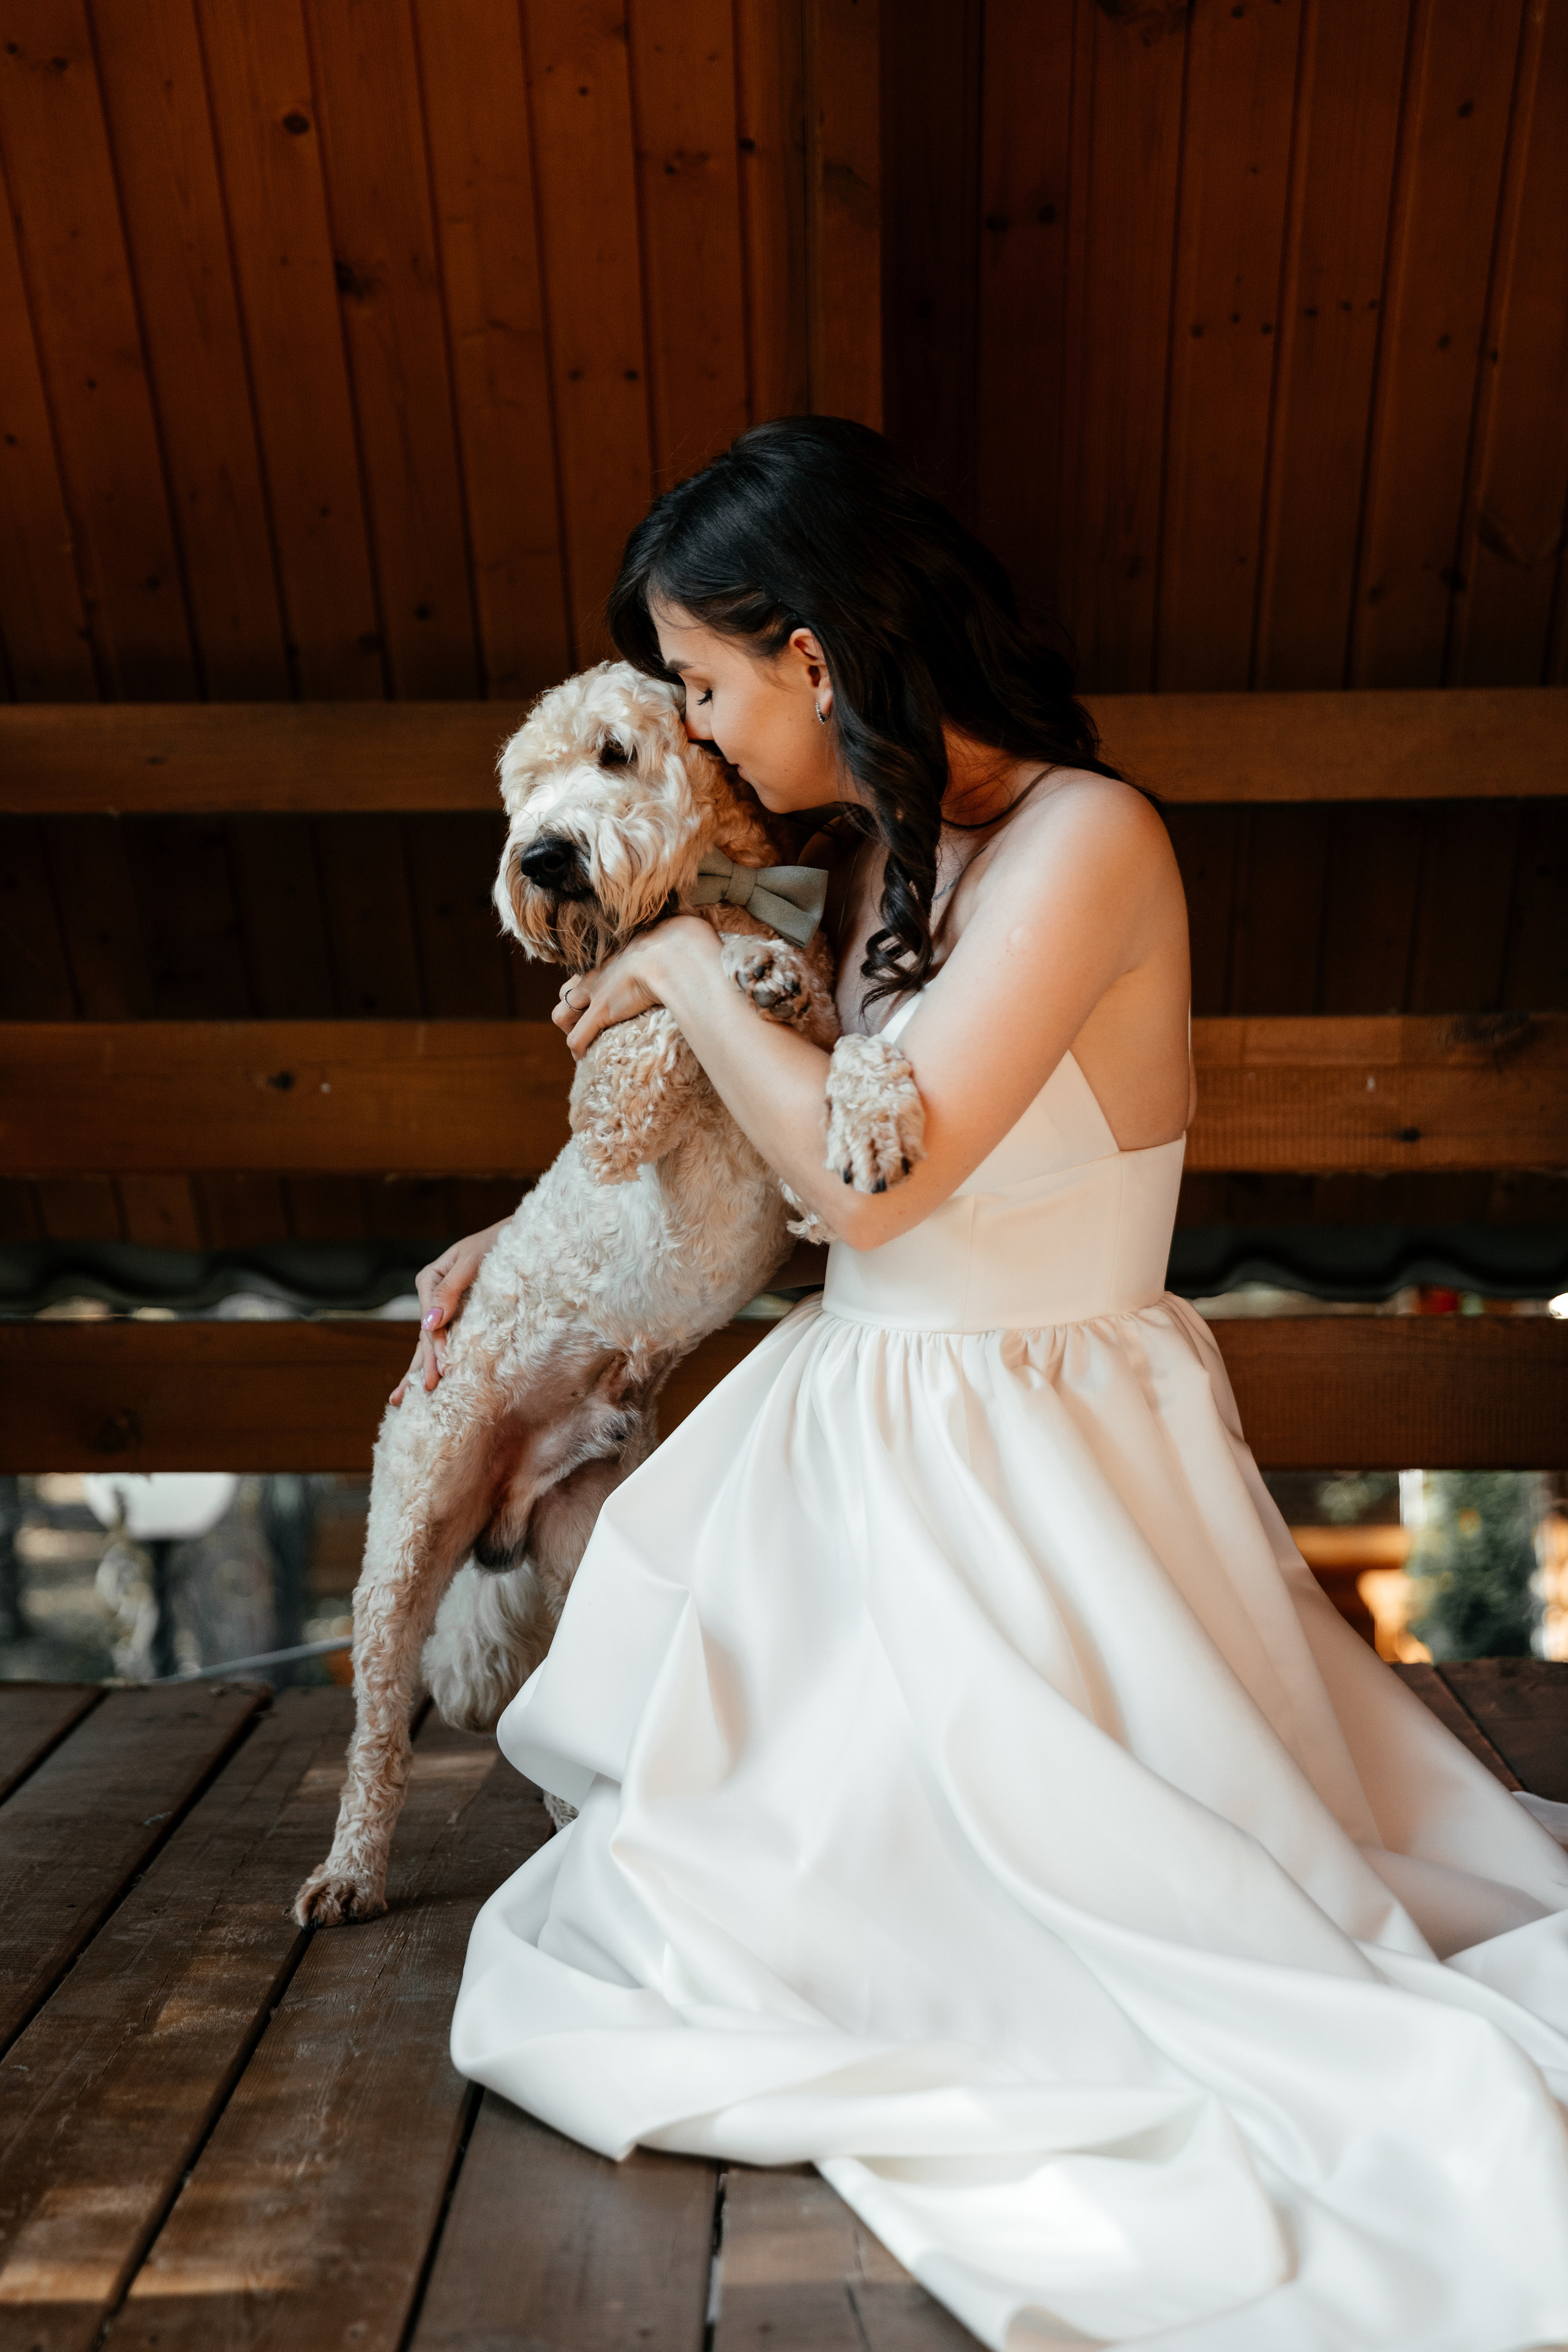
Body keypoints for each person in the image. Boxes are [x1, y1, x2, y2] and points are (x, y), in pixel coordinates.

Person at [410, 421, 1568, 2351]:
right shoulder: (873, 855)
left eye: (703, 682)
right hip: (864, 1426)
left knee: (1021, 1941)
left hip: (1040, 1456)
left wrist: (691, 961)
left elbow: (889, 1179)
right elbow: (762, 1164)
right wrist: (518, 1260)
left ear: (814, 654)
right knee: (716, 1886)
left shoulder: (1090, 839)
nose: (694, 734)